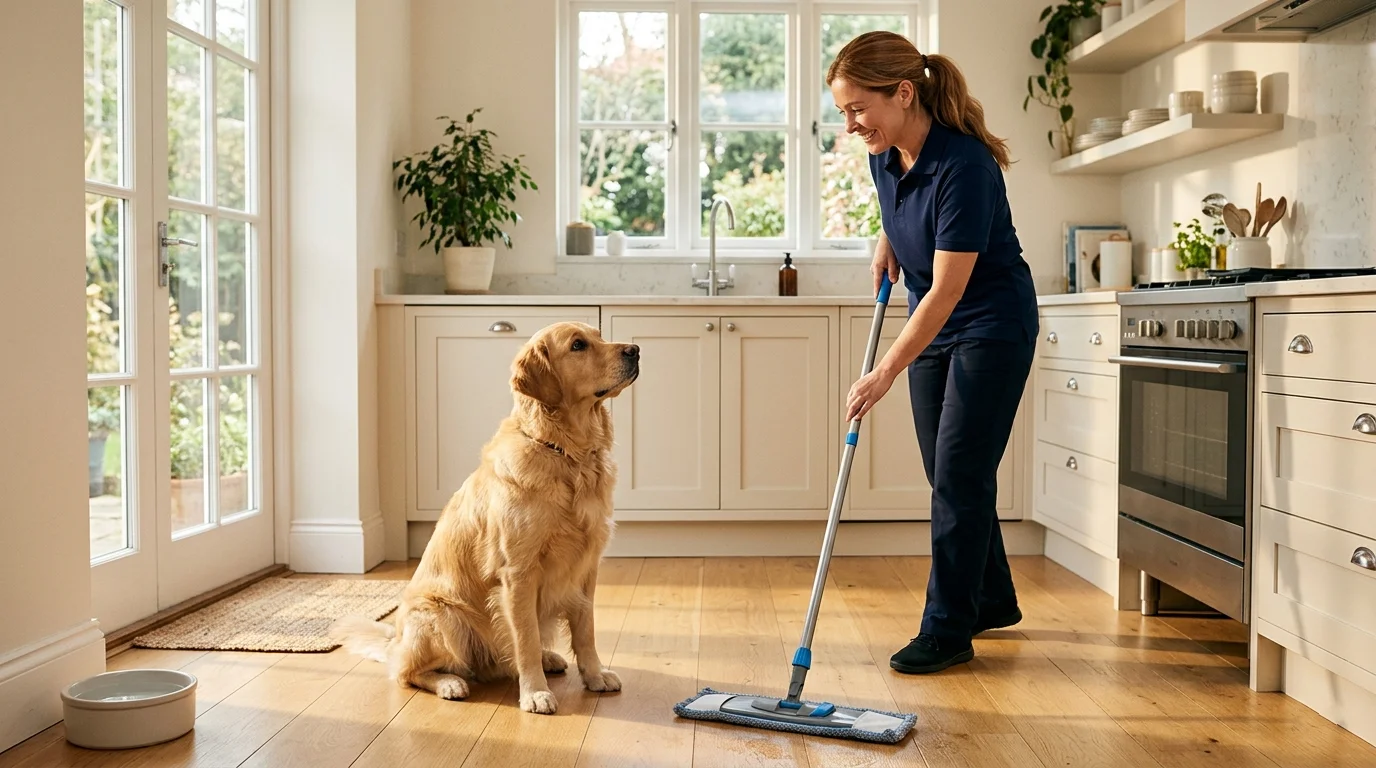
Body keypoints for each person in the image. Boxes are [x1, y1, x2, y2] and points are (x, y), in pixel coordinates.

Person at [827, 31, 1039, 674]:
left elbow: (948, 290)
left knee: (958, 475)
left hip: (990, 324)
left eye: (858, 108)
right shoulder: (885, 156)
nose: (851, 124)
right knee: (950, 474)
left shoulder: (965, 165)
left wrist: (883, 371)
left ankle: (947, 627)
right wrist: (886, 238)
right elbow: (910, 216)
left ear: (903, 92)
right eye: (843, 111)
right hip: (936, 326)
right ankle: (990, 598)